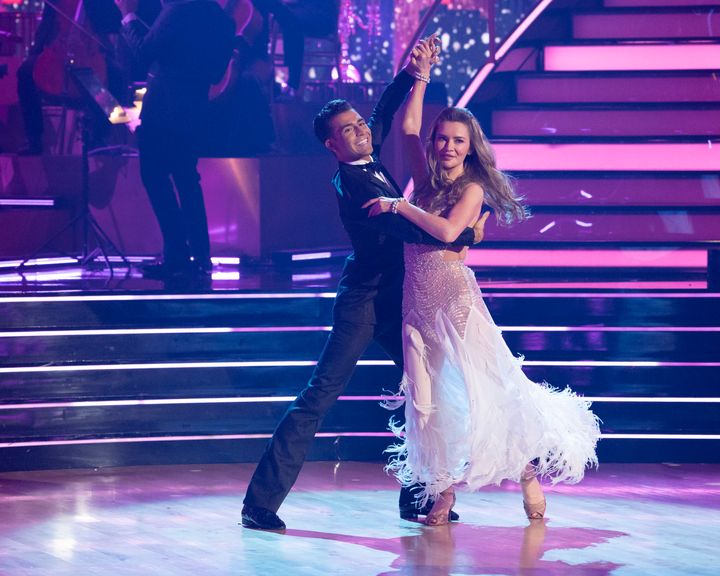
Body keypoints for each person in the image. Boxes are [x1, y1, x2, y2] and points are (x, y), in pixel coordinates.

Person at [240, 41, 486, 532]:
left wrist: (414, 73)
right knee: (321, 392)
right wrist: (464, 229)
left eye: (358, 125)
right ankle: (259, 503)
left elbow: (384, 111)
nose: (360, 132)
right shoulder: (357, 186)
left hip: (401, 294)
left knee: (426, 389)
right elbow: (418, 232)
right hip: (365, 300)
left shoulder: (364, 145)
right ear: (333, 146)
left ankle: (418, 492)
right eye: (348, 131)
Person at [364, 39, 601, 526]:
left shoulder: (470, 189)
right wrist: (422, 74)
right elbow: (409, 127)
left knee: (489, 394)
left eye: (458, 141)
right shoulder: (426, 182)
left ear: (470, 149)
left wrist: (397, 205)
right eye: (442, 139)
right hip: (416, 306)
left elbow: (450, 233)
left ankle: (527, 474)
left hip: (455, 302)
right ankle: (443, 492)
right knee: (426, 405)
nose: (447, 146)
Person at [115, 0, 234, 281]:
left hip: (164, 108)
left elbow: (143, 52)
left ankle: (177, 253)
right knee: (186, 179)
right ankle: (200, 255)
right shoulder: (223, 20)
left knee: (154, 176)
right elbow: (216, 73)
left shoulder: (178, 9)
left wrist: (128, 16)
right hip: (196, 109)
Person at [251, 0, 339, 97]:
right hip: (301, 9)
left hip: (321, 14)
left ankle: (290, 82)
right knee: (269, 7)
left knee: (289, 19)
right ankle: (262, 69)